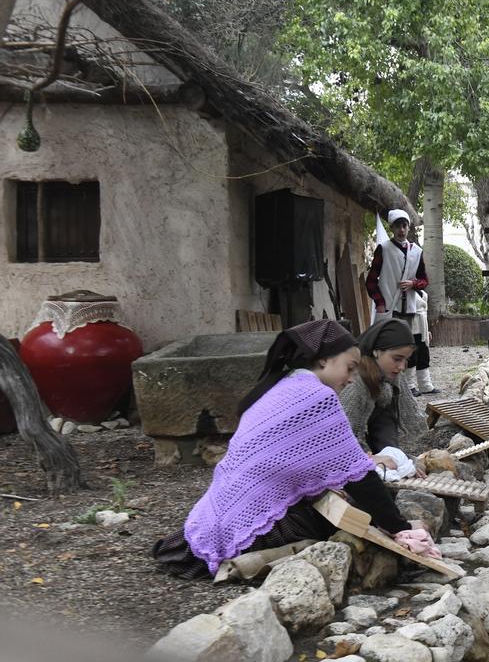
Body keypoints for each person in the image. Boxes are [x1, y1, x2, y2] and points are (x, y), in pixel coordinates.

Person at [152, 319, 438, 579]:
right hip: (243, 526)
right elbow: (359, 476)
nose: (351, 378)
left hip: (212, 517)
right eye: (349, 368)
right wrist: (399, 527)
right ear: (324, 359)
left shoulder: (286, 386)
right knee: (334, 522)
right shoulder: (318, 397)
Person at [366, 209, 437, 393]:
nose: (401, 230)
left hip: (411, 308)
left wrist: (413, 283)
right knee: (388, 346)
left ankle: (409, 386)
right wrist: (380, 302)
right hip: (390, 307)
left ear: (408, 227)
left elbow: (424, 280)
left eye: (404, 225)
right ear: (392, 228)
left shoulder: (417, 251)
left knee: (411, 346)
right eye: (398, 226)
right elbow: (371, 281)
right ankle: (385, 383)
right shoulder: (384, 249)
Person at [338, 318, 428, 456]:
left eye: (406, 360)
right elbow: (341, 438)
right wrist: (369, 460)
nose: (402, 367)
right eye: (397, 359)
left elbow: (385, 425)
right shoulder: (354, 384)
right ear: (376, 352)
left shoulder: (391, 380)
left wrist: (395, 456)